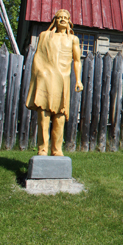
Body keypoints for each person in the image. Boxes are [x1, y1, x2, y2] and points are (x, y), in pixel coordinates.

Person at [26, 9, 83, 156]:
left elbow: (77, 61)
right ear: (55, 21)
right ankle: (42, 149)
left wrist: (78, 80)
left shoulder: (73, 39)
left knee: (60, 116)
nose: (62, 19)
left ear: (69, 22)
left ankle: (57, 149)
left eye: (65, 18)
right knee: (43, 115)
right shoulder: (44, 36)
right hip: (46, 78)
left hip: (63, 80)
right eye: (59, 18)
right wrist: (41, 74)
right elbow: (37, 58)